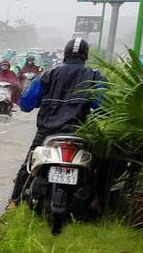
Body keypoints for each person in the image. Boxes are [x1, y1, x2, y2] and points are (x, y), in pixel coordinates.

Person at [7, 38, 104, 208]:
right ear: (86, 55)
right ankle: (98, 201)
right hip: (79, 131)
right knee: (98, 164)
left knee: (29, 165)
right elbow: (104, 105)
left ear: (65, 54)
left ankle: (15, 201)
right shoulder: (94, 76)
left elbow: (27, 103)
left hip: (48, 131)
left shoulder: (48, 75)